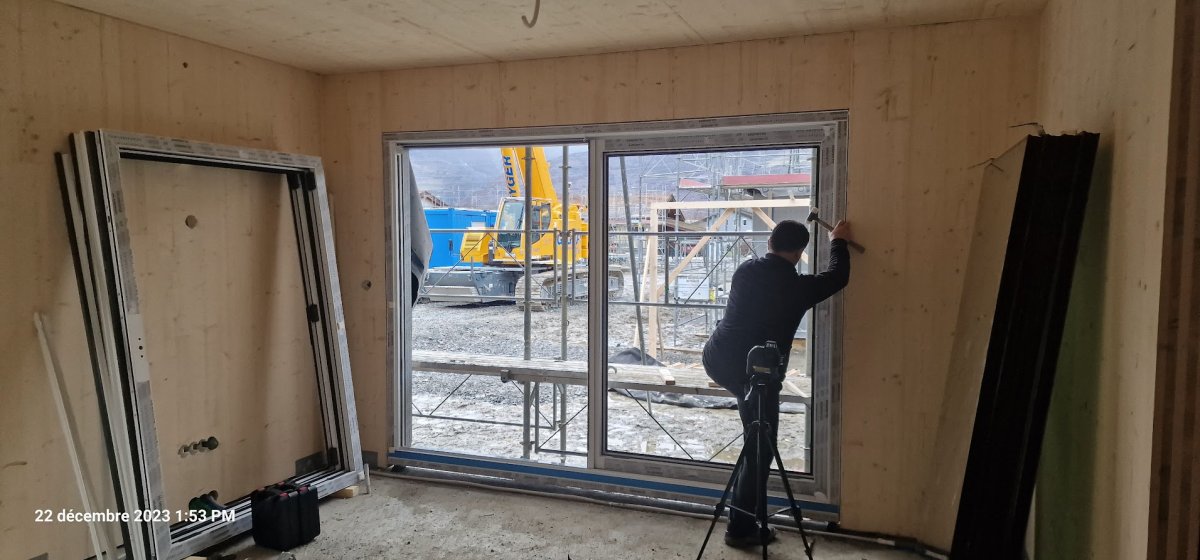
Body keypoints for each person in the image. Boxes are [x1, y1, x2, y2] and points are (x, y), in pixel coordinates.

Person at [702, 218, 853, 548]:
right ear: (799, 253)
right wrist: (838, 241)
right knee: (759, 449)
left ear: (770, 243)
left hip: (718, 358)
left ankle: (746, 518)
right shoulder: (797, 289)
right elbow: (838, 276)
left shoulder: (746, 270)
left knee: (755, 440)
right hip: (755, 374)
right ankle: (740, 529)